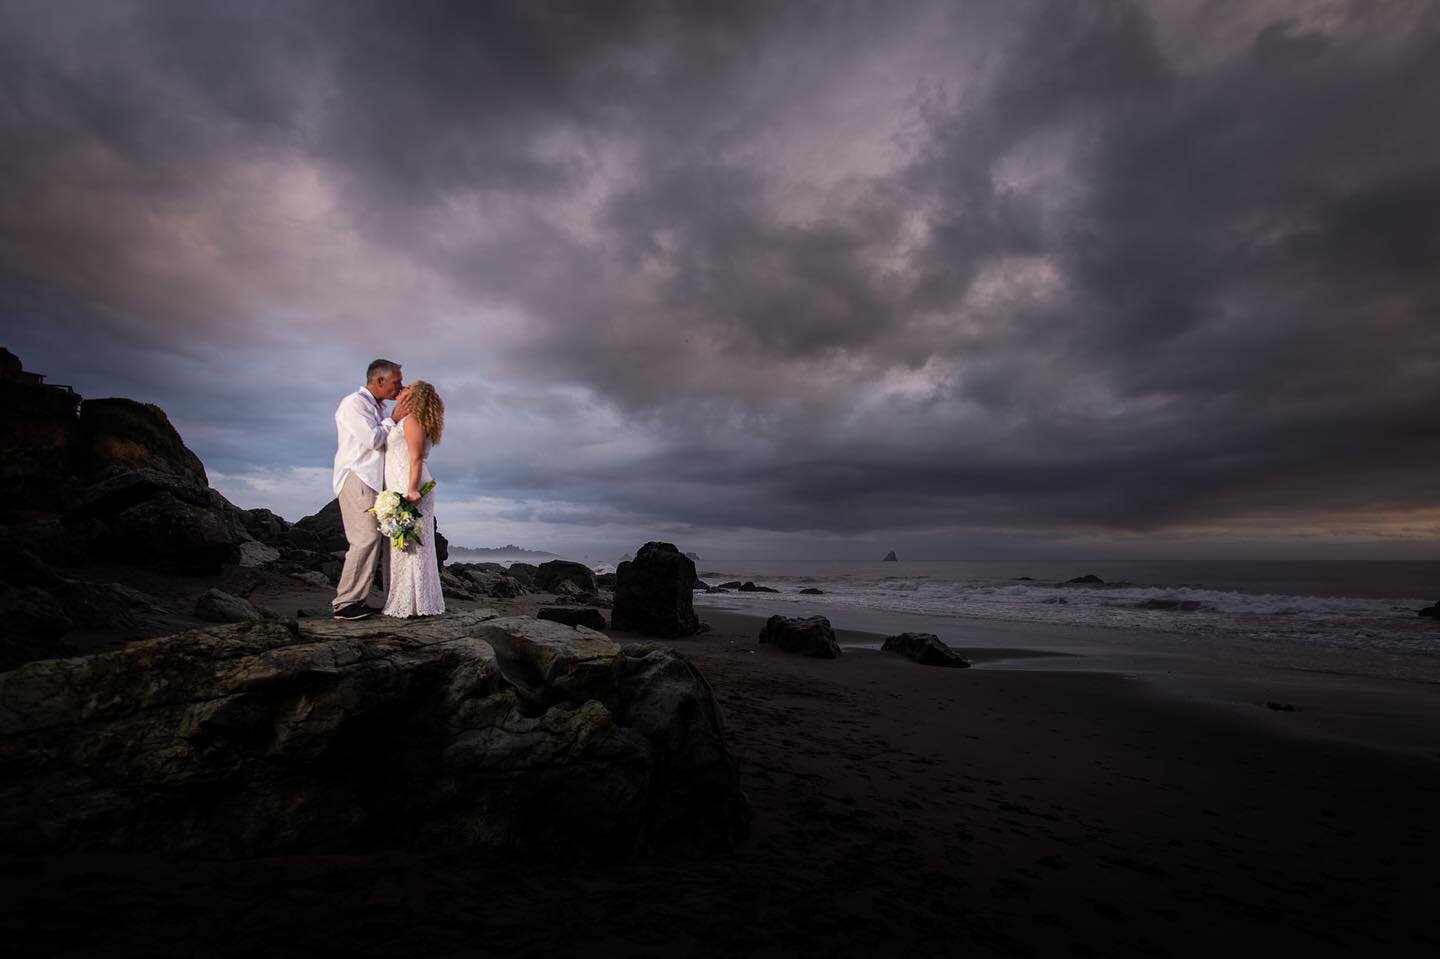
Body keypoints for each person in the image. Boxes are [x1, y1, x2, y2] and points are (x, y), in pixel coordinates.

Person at [331, 358, 410, 620]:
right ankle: (345, 603)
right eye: (397, 381)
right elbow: (374, 440)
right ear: (379, 381)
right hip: (358, 477)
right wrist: (394, 418)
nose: (401, 385)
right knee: (364, 538)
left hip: (372, 481)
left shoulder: (375, 407)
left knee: (374, 540)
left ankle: (356, 599)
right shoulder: (354, 404)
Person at [382, 379, 446, 618]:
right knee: (406, 544)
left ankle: (416, 602)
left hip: (412, 487)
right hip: (402, 484)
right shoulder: (405, 419)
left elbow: (416, 457)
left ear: (416, 396)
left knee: (412, 545)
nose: (403, 388)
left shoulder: (413, 421)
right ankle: (411, 599)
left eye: (408, 387)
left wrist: (411, 490)